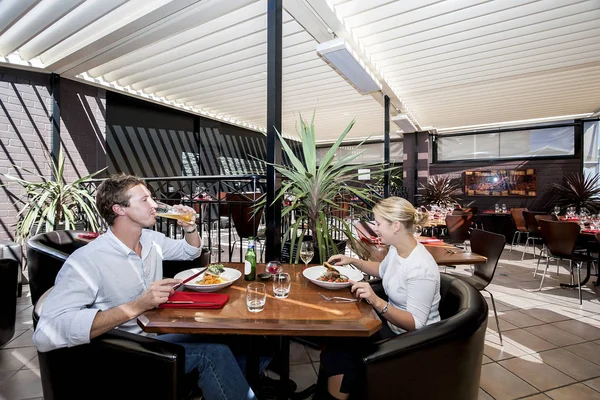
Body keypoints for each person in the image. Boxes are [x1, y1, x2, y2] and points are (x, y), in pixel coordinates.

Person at [33, 174, 257, 400]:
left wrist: (189, 228)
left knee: (246, 339)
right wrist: (138, 305)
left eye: (152, 198)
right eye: (145, 200)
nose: (155, 205)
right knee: (214, 354)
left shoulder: (151, 240)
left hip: (156, 333)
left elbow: (191, 251)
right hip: (124, 351)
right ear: (120, 209)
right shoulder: (87, 260)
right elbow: (45, 334)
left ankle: (226, 387)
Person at [319, 197, 441, 400]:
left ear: (395, 226)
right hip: (392, 326)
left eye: (378, 223)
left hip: (413, 341)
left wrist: (376, 301)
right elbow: (382, 270)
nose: (375, 228)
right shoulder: (397, 249)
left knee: (342, 352)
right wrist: (352, 261)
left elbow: (416, 324)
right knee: (338, 337)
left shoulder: (421, 268)